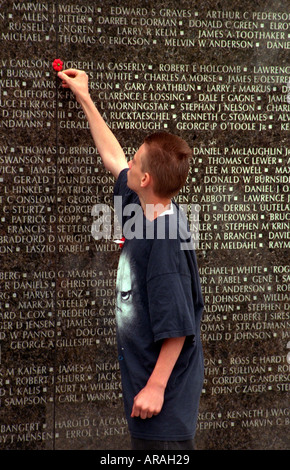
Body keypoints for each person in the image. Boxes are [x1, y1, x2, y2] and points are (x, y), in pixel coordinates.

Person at [58, 69, 204, 451]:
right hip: (147, 390)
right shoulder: (145, 207)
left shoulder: (165, 238)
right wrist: (84, 97)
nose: (130, 163)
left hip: (163, 408)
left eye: (137, 161)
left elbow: (177, 325)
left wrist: (155, 388)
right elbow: (113, 157)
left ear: (146, 180)